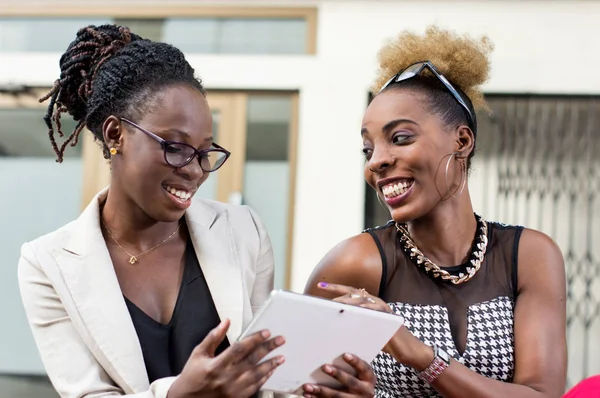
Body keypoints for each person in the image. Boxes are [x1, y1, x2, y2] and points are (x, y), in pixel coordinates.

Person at [17, 24, 371, 398]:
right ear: (115, 135)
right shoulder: (48, 263)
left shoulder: (243, 230)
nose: (194, 169)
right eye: (175, 146)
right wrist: (179, 395)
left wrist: (324, 388)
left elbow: (265, 380)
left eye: (205, 152)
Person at [305, 26, 568, 397]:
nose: (377, 162)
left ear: (461, 141)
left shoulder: (529, 256)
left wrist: (418, 354)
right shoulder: (354, 264)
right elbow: (306, 388)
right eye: (367, 149)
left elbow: (541, 394)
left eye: (400, 138)